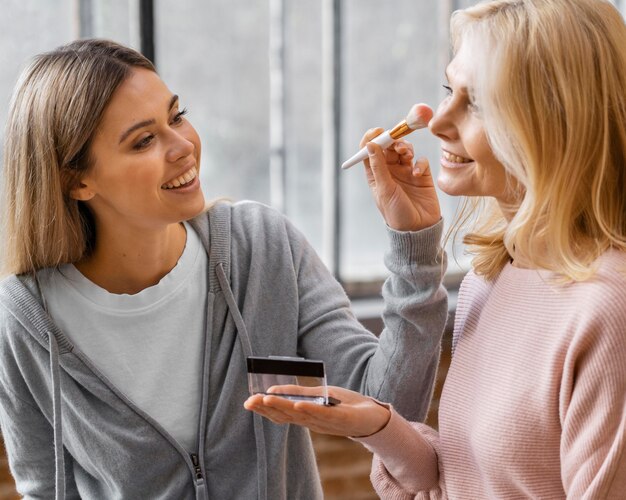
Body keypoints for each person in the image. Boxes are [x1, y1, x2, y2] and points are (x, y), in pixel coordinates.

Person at [0, 39, 448, 499]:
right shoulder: (26, 314)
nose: (183, 146)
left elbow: (392, 403)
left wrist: (414, 245)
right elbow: (45, 487)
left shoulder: (261, 248)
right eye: (143, 140)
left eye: (176, 116)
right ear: (77, 180)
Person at [244, 0, 626, 498]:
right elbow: (472, 480)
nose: (438, 121)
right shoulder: (490, 279)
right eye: (450, 89)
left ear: (557, 123)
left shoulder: (608, 311)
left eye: (480, 102)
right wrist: (380, 426)